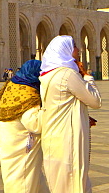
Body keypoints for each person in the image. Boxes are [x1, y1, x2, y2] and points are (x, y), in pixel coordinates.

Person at [40, 35, 101, 193]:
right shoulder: (67, 75)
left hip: (53, 136)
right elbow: (95, 101)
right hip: (67, 139)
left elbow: (62, 104)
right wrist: (87, 76)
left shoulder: (46, 75)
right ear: (65, 50)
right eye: (74, 46)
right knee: (74, 183)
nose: (78, 50)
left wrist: (81, 116)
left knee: (60, 183)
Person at [0, 58, 47, 193]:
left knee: (17, 180)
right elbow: (35, 124)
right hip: (21, 147)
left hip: (9, 144)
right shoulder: (27, 93)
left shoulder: (11, 87)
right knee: (24, 183)